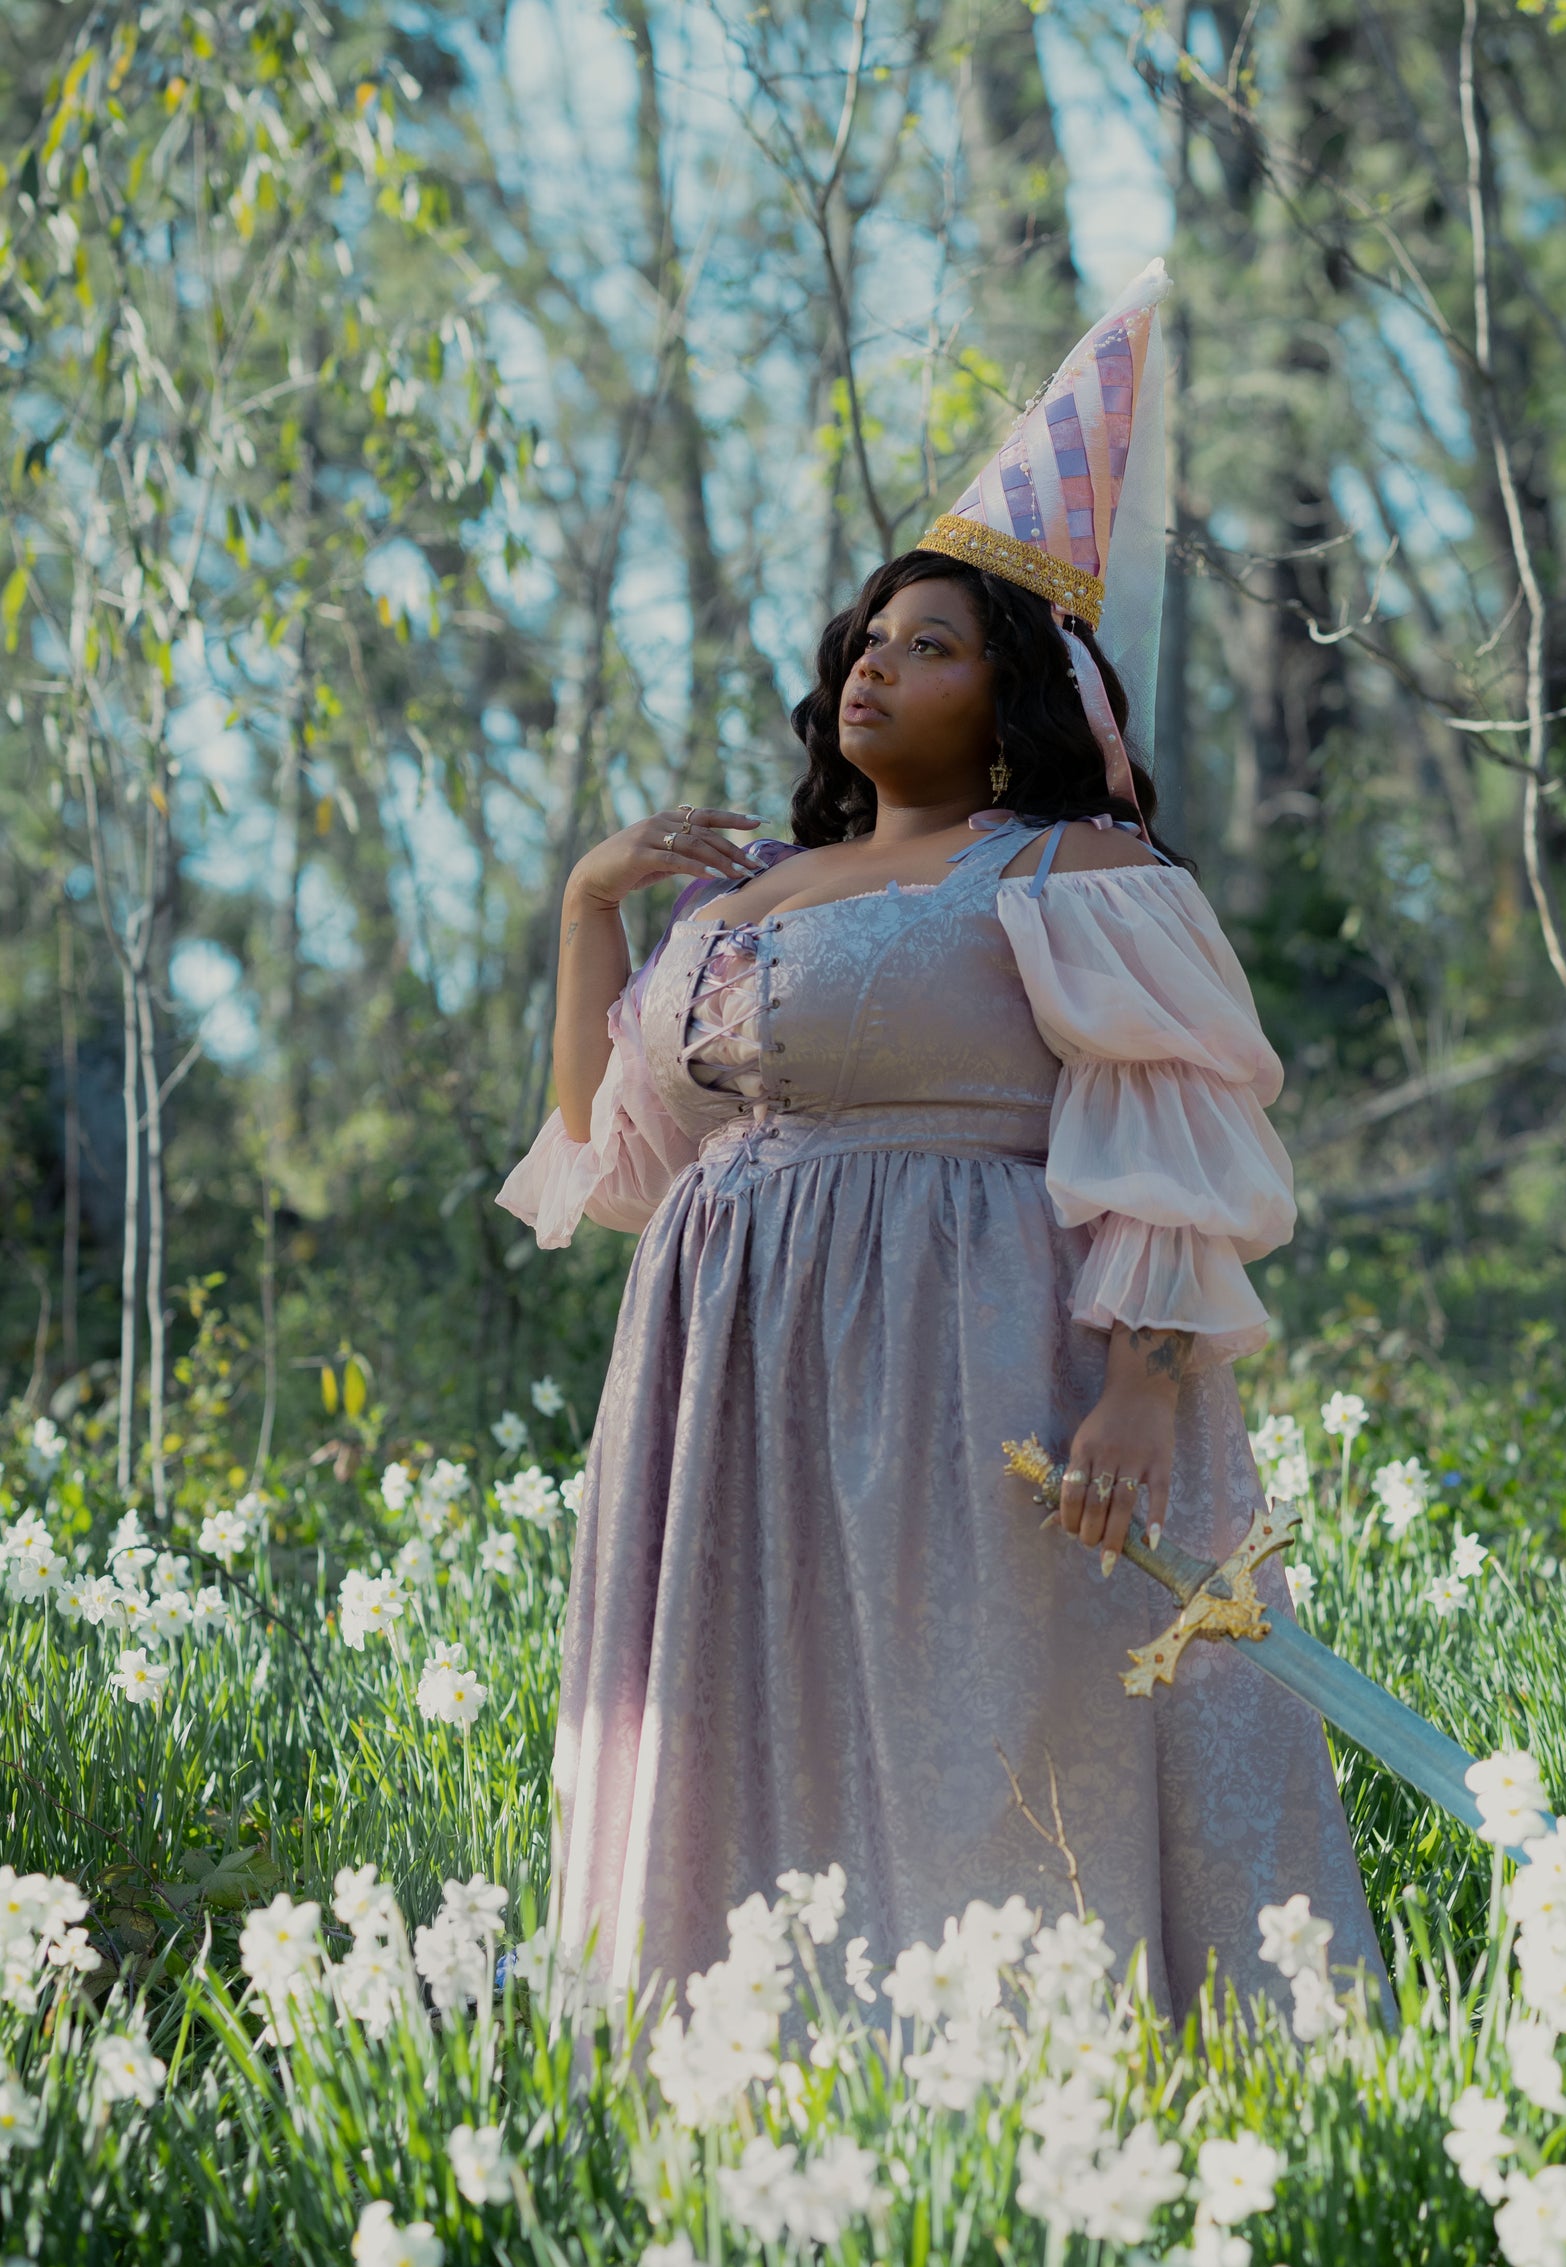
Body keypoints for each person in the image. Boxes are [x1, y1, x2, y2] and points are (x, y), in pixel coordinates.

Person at [498, 262, 1384, 2021]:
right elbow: (609, 1160)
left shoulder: (1071, 876)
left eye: (928, 645)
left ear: (1017, 694)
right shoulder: (752, 895)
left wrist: (1141, 1382)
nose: (874, 669)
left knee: (980, 1702)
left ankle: (1013, 2084)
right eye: (865, 644)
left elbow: (1169, 1128)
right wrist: (593, 904)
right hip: (725, 1370)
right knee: (746, 1717)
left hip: (975, 1350)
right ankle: (748, 2079)